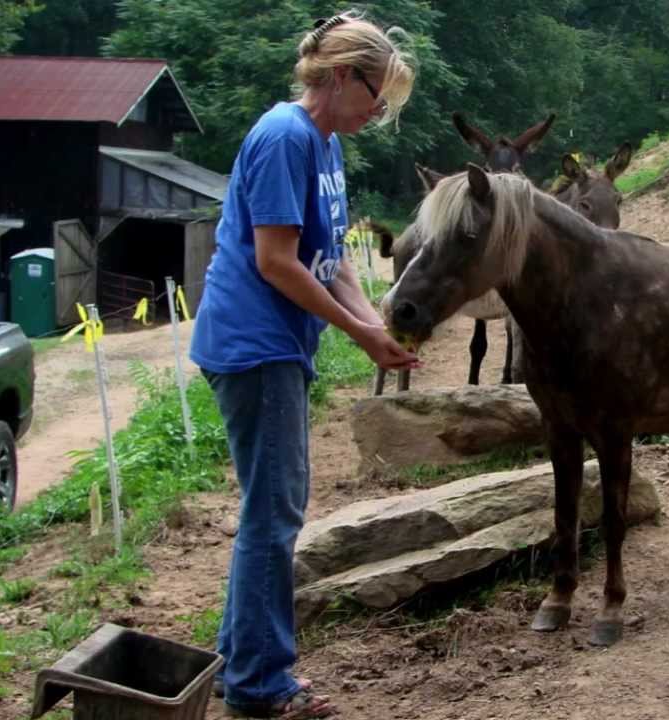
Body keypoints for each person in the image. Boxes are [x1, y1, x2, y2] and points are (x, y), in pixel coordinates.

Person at [188, 10, 419, 718]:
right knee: (276, 510)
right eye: (376, 97)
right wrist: (354, 328)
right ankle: (260, 685)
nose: (378, 113)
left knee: (272, 506)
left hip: (278, 345)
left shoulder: (325, 146)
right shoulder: (285, 137)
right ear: (343, 76)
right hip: (254, 346)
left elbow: (333, 258)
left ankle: (242, 664)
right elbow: (277, 262)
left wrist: (371, 326)